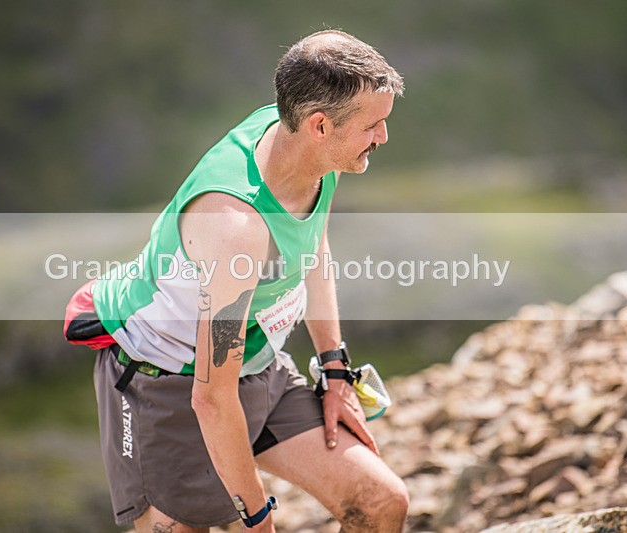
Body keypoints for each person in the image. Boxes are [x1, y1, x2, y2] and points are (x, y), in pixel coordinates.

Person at [69, 29, 408, 532]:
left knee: (381, 503)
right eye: (373, 126)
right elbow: (211, 397)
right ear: (318, 125)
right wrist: (257, 515)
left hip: (258, 367)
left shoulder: (319, 153)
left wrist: (334, 369)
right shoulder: (235, 232)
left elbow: (313, 246)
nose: (383, 137)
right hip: (160, 386)